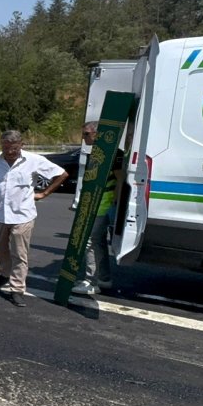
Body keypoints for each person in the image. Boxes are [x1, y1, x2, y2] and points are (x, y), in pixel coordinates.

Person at [0, 130, 68, 307]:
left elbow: (62, 174)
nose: (9, 152)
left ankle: (17, 289)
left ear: (22, 145)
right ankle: (5, 273)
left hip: (23, 215)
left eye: (13, 148)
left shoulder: (34, 160)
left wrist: (44, 193)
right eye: (5, 147)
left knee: (19, 253)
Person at [73, 121, 123, 296]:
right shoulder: (97, 152)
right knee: (98, 243)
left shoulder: (113, 153)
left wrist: (114, 203)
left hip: (103, 205)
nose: (83, 137)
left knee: (90, 243)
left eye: (86, 134)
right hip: (96, 203)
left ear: (97, 134)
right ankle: (103, 278)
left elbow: (120, 179)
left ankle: (91, 281)